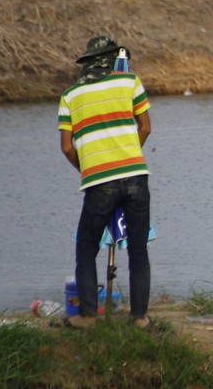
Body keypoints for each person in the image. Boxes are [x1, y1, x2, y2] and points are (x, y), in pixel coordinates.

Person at [58, 36, 153, 329]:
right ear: (113, 60)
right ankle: (139, 318)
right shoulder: (130, 82)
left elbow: (66, 147)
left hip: (99, 181)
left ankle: (88, 316)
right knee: (138, 248)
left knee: (87, 247)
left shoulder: (70, 96)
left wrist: (89, 168)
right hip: (136, 175)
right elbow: (146, 126)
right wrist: (128, 154)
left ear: (86, 64)